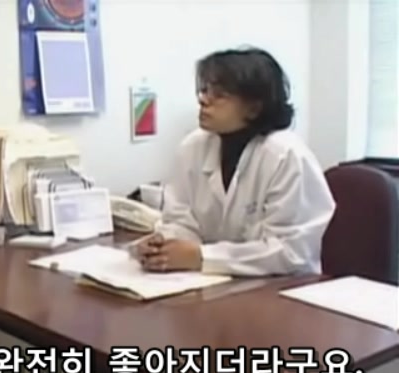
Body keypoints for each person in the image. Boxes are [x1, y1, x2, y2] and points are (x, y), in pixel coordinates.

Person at [134, 47, 335, 276]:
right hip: (214, 283)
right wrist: (163, 245)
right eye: (205, 90)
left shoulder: (286, 156)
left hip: (280, 287)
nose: (203, 100)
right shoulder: (193, 147)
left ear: (254, 108)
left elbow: (290, 252)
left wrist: (201, 257)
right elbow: (180, 221)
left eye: (219, 95)